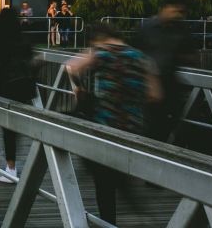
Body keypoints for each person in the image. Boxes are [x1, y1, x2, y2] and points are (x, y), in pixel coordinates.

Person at [66, 22, 161, 224]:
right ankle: (138, 208)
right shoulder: (141, 57)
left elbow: (71, 66)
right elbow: (155, 95)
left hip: (105, 123)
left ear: (97, 38)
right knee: (121, 173)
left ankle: (109, 220)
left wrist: (80, 90)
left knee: (103, 180)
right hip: (133, 125)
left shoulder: (101, 52)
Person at [132, 0, 195, 143]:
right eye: (176, 11)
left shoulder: (182, 29)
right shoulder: (147, 28)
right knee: (147, 128)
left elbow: (191, 55)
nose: (179, 15)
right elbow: (134, 54)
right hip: (146, 87)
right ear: (165, 8)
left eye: (182, 12)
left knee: (166, 128)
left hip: (170, 87)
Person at [0, 7, 37, 183]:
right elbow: (32, 61)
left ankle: (11, 168)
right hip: (24, 87)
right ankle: (18, 163)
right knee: (18, 126)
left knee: (8, 129)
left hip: (6, 87)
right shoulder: (24, 38)